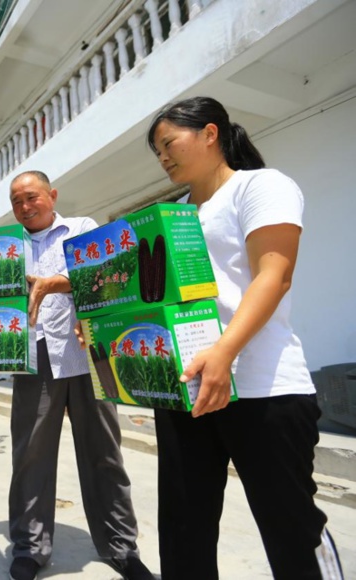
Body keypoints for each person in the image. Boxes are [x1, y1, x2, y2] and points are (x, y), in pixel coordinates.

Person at [146, 96, 344, 579]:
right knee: (184, 528)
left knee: (290, 526)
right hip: (188, 390)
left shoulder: (260, 187)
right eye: (157, 152)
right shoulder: (174, 212)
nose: (163, 157)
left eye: (169, 143)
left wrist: (225, 351)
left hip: (263, 388)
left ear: (210, 134)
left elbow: (273, 276)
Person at [6, 171, 154, 580]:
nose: (25, 206)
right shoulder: (9, 247)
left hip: (87, 353)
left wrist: (59, 285)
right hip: (35, 358)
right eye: (17, 201)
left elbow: (104, 273)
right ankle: (29, 548)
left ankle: (121, 548)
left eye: (32, 197)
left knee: (104, 452)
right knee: (31, 455)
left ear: (52, 196)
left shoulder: (84, 229)